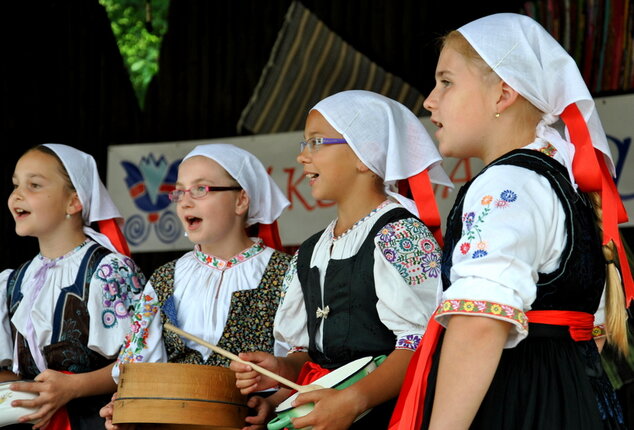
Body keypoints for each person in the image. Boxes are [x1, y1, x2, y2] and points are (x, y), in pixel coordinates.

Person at [389, 13, 633, 430]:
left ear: (503, 94)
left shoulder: (506, 184)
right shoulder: (558, 178)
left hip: (523, 401)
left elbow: (480, 324)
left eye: (446, 81)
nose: (429, 100)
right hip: (575, 398)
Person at [230, 90, 453, 430]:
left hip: (390, 416)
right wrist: (278, 375)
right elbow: (312, 357)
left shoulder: (400, 235)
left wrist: (352, 402)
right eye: (304, 144)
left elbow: (421, 344)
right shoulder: (310, 251)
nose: (303, 157)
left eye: (316, 142)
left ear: (365, 154)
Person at [99, 143, 291, 430]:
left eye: (200, 190)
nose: (185, 202)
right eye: (179, 192)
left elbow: (305, 363)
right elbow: (138, 368)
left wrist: (273, 403)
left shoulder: (285, 273)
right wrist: (125, 406)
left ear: (241, 201)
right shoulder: (165, 278)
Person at [0, 143, 146, 429]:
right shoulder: (13, 281)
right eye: (16, 185)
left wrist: (73, 387)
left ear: (73, 202)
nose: (17, 195)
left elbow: (142, 362)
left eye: (34, 185)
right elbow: (10, 374)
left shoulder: (108, 271)